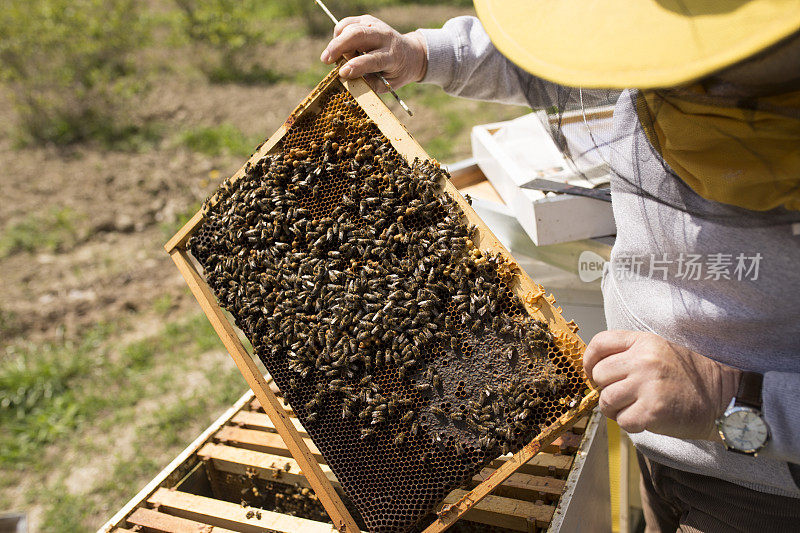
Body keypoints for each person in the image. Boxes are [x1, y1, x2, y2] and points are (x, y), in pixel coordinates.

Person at [321, 2, 800, 531]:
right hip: (658, 443)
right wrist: (426, 53)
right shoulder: (666, 51)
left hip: (767, 491)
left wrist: (728, 399)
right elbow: (561, 51)